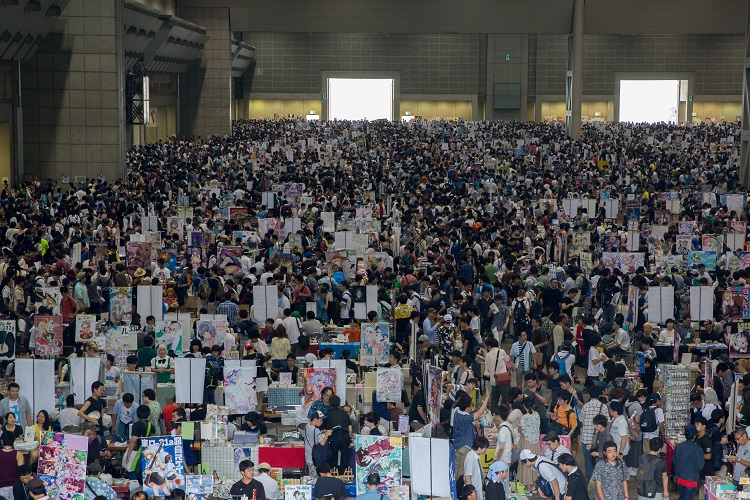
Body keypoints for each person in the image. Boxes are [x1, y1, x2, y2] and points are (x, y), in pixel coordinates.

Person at [674, 425, 705, 500]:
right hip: (691, 479)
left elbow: (674, 462)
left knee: (682, 495)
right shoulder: (699, 450)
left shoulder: (678, 446)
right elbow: (700, 466)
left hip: (680, 477)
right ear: (694, 436)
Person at [325, 395, 353, 474]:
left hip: (334, 437)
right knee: (345, 456)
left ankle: (334, 472)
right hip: (344, 436)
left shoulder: (328, 414)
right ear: (339, 403)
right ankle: (344, 473)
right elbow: (350, 427)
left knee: (333, 456)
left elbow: (326, 429)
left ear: (329, 403)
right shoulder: (344, 413)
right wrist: (350, 437)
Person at [303, 410, 332, 477]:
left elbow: (312, 436)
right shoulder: (316, 430)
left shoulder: (307, 426)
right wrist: (327, 434)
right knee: (314, 477)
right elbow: (322, 443)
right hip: (314, 457)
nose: (322, 422)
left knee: (310, 475)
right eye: (320, 420)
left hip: (308, 456)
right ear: (315, 419)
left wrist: (321, 432)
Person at [0, 431, 24, 499]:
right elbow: (21, 471)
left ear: (2, 441)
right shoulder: (19, 454)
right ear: (13, 441)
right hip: (15, 486)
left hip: (1, 486)